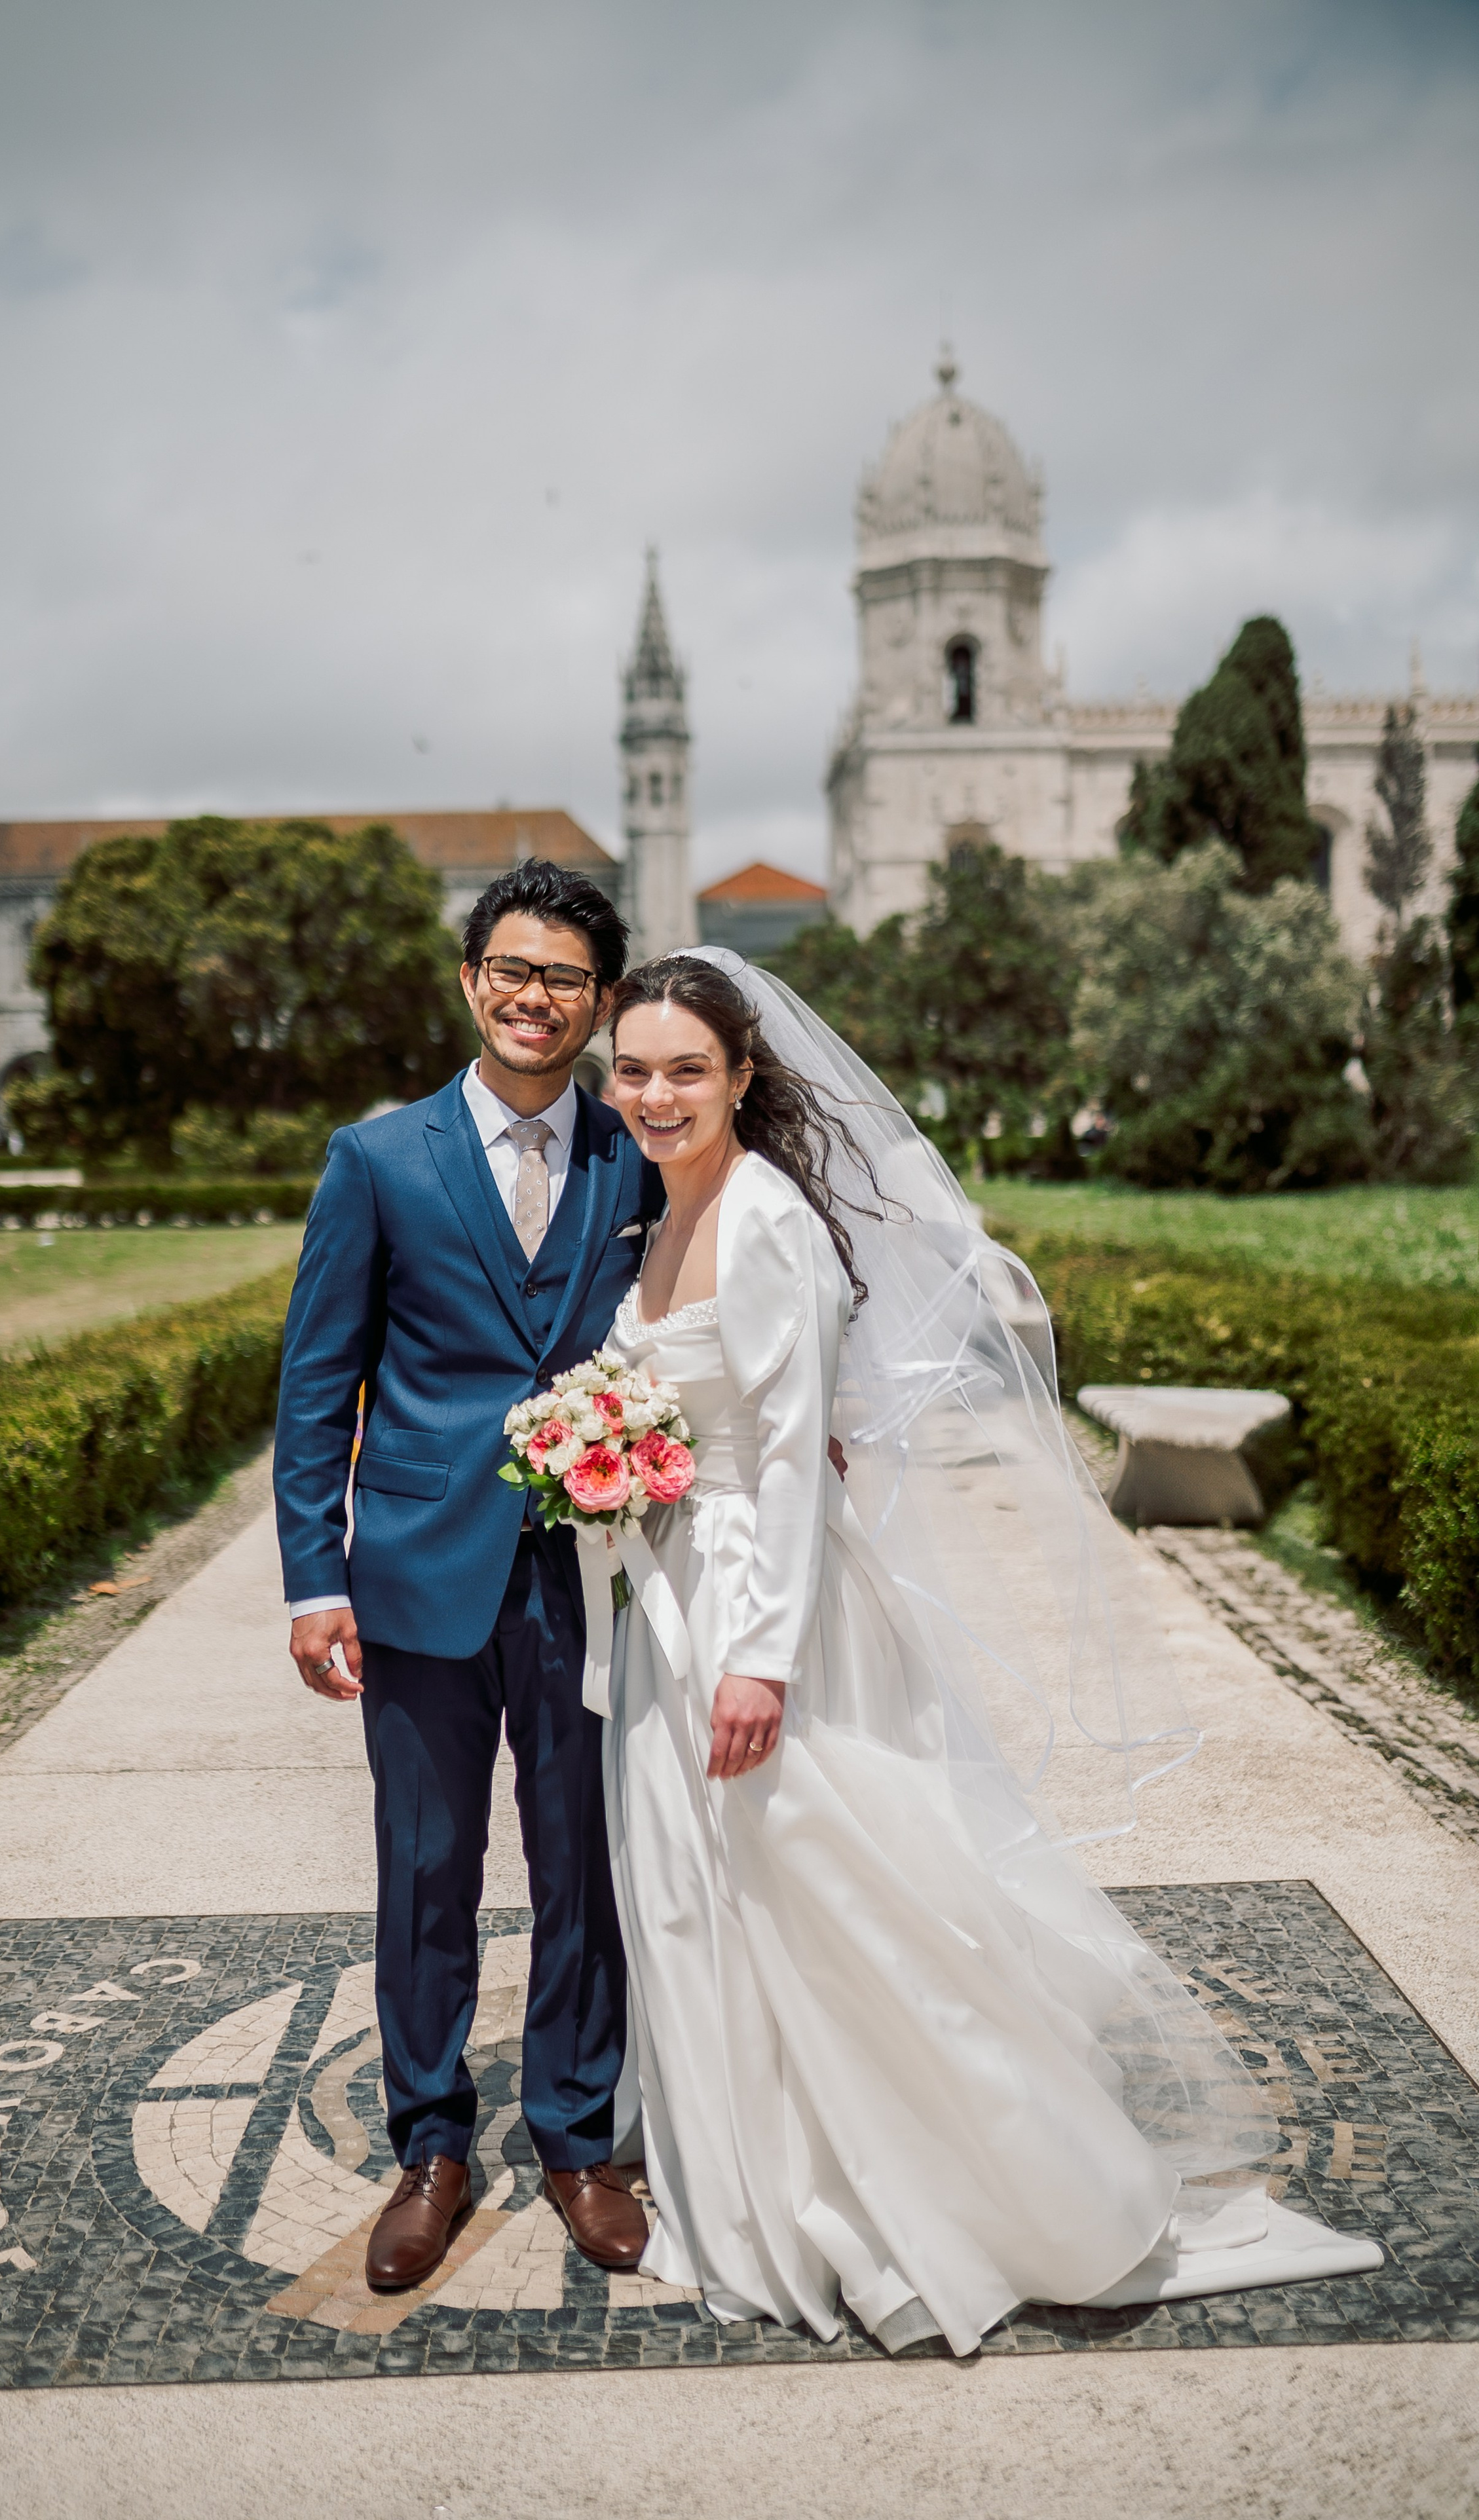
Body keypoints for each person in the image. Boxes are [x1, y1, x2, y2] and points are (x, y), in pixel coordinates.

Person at [599, 949, 1383, 2358]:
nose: (655, 1095)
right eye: (634, 1070)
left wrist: (760, 1660)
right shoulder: (667, 1213)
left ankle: (946, 2185)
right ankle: (754, 2168)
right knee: (701, 1887)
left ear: (743, 1076)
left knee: (820, 1881)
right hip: (678, 1585)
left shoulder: (764, 1218)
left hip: (758, 1604)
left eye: (685, 1070)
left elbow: (792, 1455)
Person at [274, 859, 660, 2291]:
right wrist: (313, 1580)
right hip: (418, 1578)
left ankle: (574, 2138)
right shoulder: (376, 1159)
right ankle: (430, 2147)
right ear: (469, 982)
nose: (533, 997)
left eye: (564, 977)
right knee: (427, 1869)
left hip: (591, 1575)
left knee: (583, 1869)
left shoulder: (638, 1156)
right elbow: (317, 1383)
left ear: (599, 1002)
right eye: (511, 970)